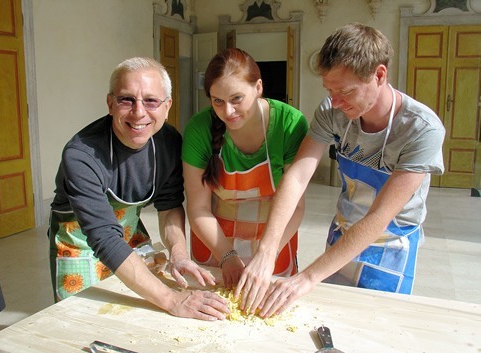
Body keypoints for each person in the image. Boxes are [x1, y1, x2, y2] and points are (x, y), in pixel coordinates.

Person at [235, 23, 445, 317]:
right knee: (331, 316)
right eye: (329, 90)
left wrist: (306, 277)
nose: (335, 102)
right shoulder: (332, 111)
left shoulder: (421, 129)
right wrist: (267, 251)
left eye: (345, 91)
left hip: (391, 242)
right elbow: (297, 177)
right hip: (343, 230)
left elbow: (378, 218)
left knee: (372, 323)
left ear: (379, 75)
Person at [48, 57, 229, 321]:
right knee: (83, 324)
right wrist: (171, 299)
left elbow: (169, 206)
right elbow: (104, 237)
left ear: (167, 107)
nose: (139, 113)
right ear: (110, 104)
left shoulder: (168, 142)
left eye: (151, 101)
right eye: (126, 100)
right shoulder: (81, 154)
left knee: (134, 319)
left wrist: (178, 254)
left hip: (127, 234)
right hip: (79, 243)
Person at [182, 48, 308, 288]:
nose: (227, 112)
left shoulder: (289, 124)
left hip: (273, 241)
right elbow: (198, 208)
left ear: (258, 87)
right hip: (216, 242)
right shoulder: (199, 130)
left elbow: (296, 205)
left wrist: (266, 254)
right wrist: (227, 256)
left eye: (236, 99)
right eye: (217, 101)